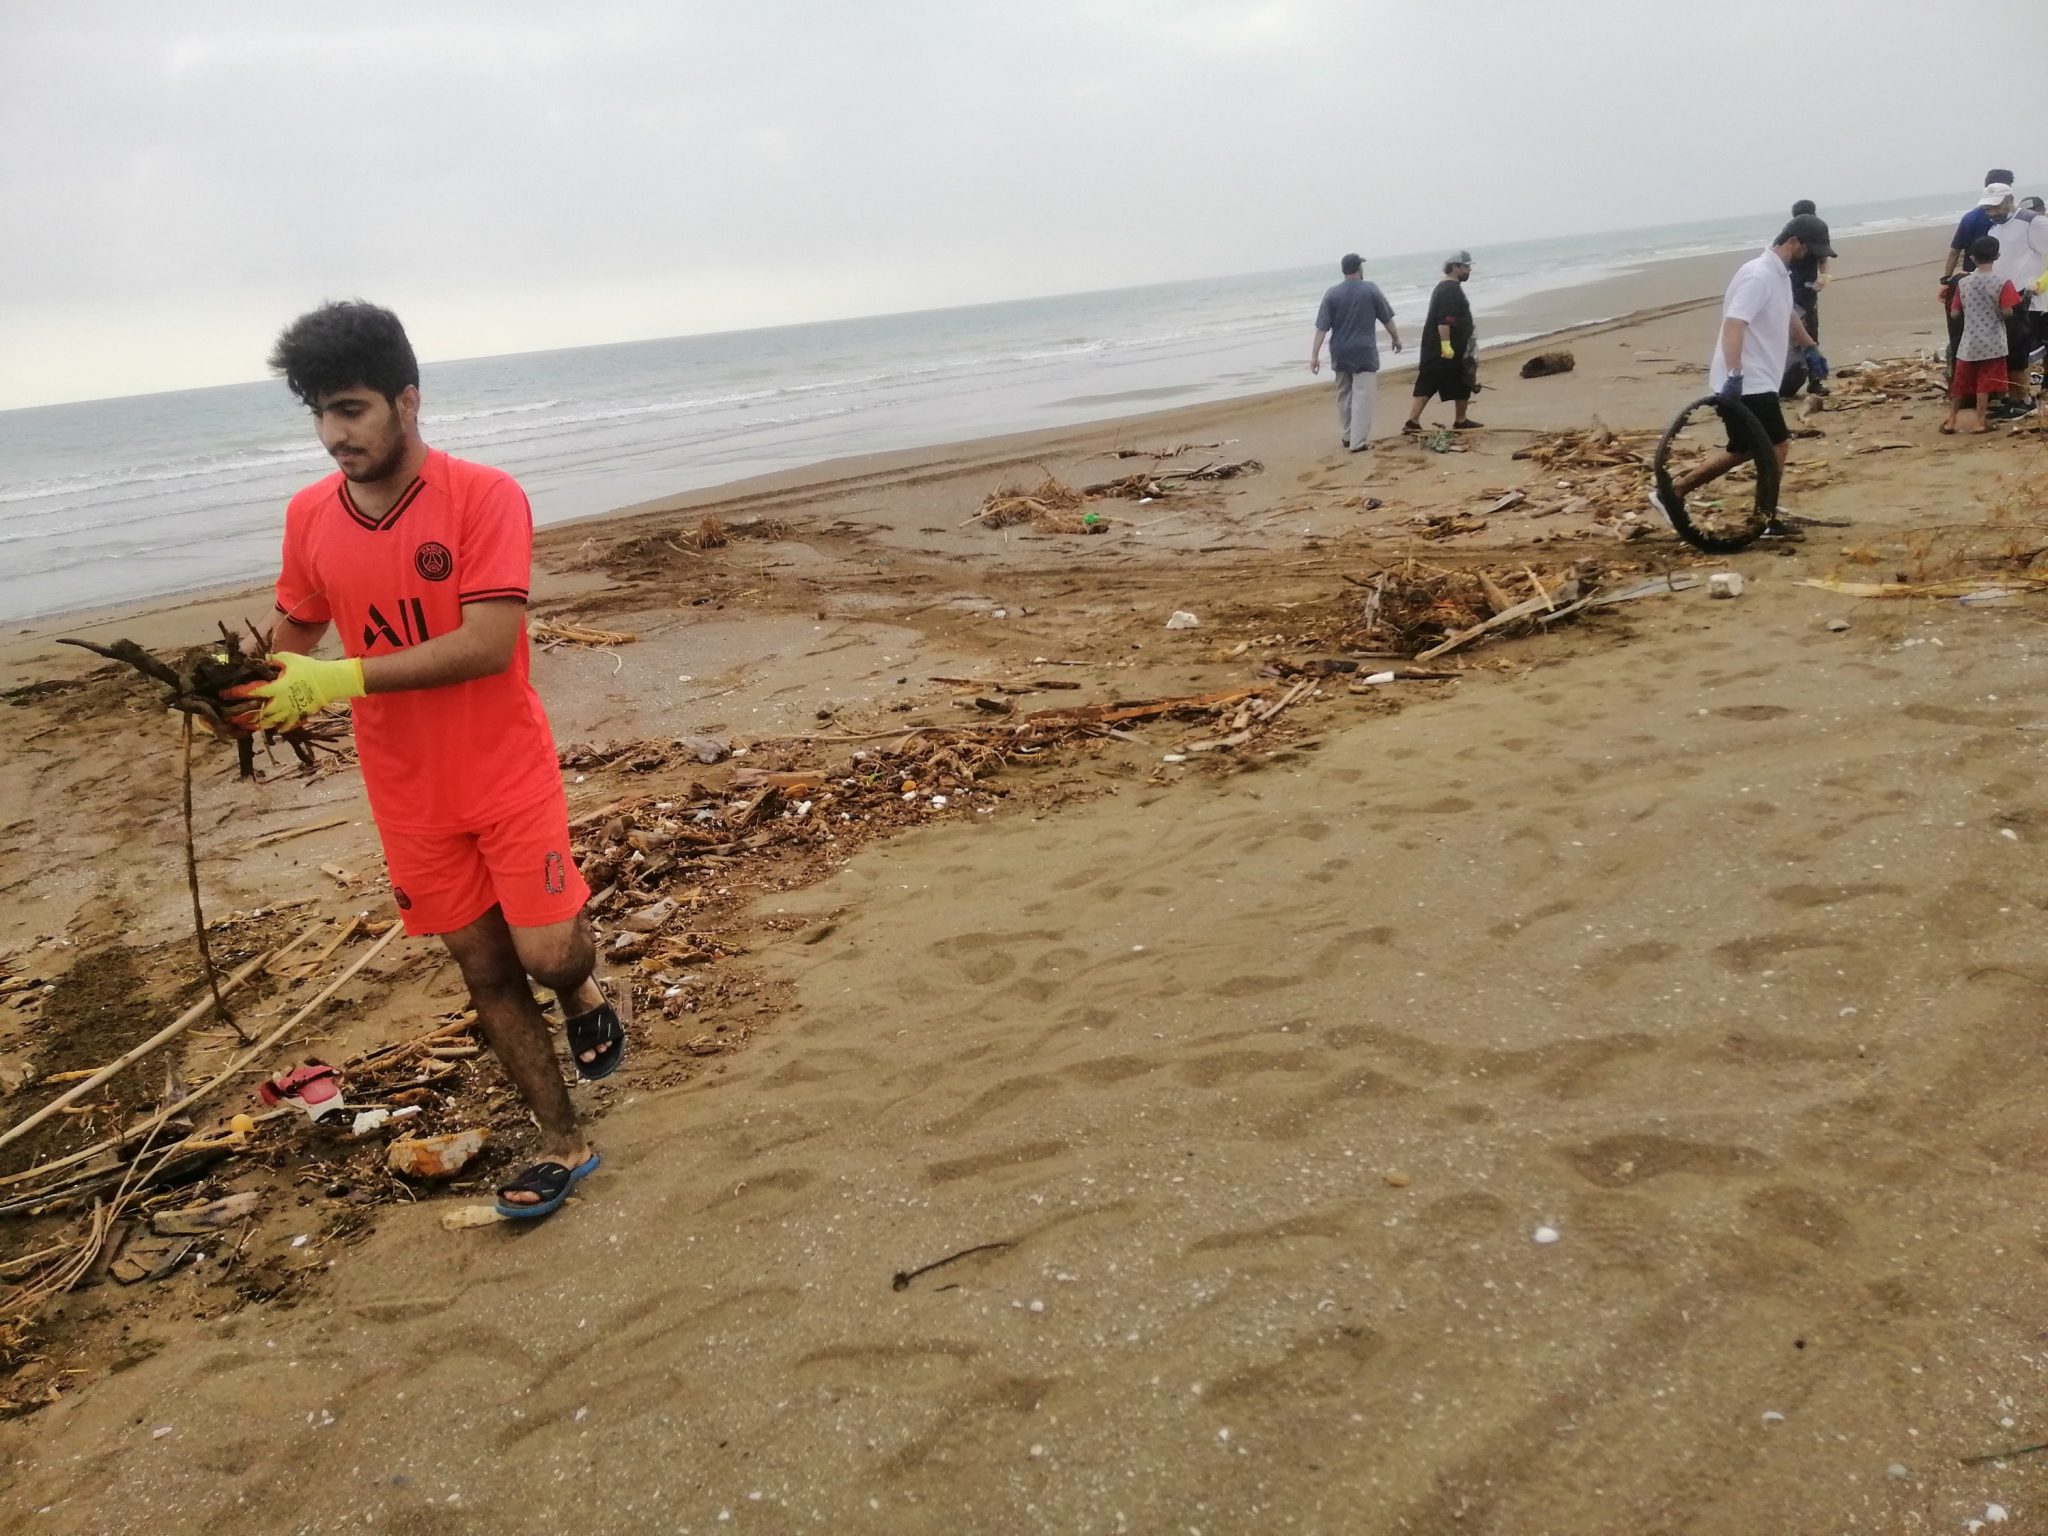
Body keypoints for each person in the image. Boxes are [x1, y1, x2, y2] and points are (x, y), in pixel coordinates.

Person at [231, 301, 622, 1221]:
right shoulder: (309, 516)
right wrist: (232, 688)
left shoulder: (484, 496)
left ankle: (582, 989)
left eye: (352, 409)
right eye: (320, 413)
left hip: (503, 767)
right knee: (484, 970)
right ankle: (563, 1142)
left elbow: (488, 644)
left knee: (548, 954)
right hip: (406, 789)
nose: (334, 435)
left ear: (407, 401)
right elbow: (293, 634)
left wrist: (337, 680)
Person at [1652, 216, 1829, 538]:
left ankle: (1672, 493)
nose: (1812, 257)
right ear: (1793, 242)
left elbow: (1787, 314)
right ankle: (1764, 518)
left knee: (1743, 448)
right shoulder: (1758, 275)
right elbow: (1735, 323)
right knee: (1777, 445)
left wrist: (1810, 347)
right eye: (1810, 249)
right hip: (1748, 380)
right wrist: (1735, 374)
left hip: (1757, 378)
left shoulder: (1779, 274)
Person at [1310, 254, 1402, 453]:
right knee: (1363, 395)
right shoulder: (1370, 289)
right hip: (1364, 351)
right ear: (1359, 269)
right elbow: (1386, 318)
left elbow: (1321, 328)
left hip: (1340, 351)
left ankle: (1347, 435)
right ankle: (1358, 441)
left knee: (1344, 394)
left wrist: (1314, 355)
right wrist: (1395, 337)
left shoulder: (1332, 294)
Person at [1944, 237, 2022, 434]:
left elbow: (1955, 313)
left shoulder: (1963, 283)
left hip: (1969, 342)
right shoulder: (2003, 282)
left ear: (1972, 258)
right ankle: (1979, 421)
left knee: (1960, 383)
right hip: (1993, 342)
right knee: (1985, 384)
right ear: (1997, 256)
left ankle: (1951, 420)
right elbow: (2007, 312)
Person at [1944, 176, 2016, 387]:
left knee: (1962, 337)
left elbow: (1954, 250)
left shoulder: (1970, 218)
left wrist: (1947, 280)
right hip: (1998, 284)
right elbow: (2007, 312)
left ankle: (1963, 388)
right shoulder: (2007, 219)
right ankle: (1997, 388)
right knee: (2004, 337)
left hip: (1968, 282)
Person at [1404, 252, 1482, 432]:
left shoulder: (1446, 287)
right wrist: (1446, 346)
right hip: (1444, 349)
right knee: (1431, 381)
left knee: (1456, 380)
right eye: (1466, 267)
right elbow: (1444, 321)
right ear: (1455, 267)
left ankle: (1459, 419)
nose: (1469, 270)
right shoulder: (1449, 290)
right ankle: (1413, 421)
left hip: (1448, 348)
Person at [1993, 196, 2048, 416]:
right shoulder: (2004, 230)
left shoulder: (2038, 226)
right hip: (2027, 301)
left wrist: (2040, 284)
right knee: (2025, 349)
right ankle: (2022, 396)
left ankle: (2030, 395)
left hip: (2038, 299)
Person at [1778, 200, 1833, 400]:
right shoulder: (1791, 241)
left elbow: (1823, 259)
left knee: (1811, 334)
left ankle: (1815, 381)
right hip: (1789, 291)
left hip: (1809, 292)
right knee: (1792, 337)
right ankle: (1783, 377)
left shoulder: (1817, 234)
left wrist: (1825, 277)